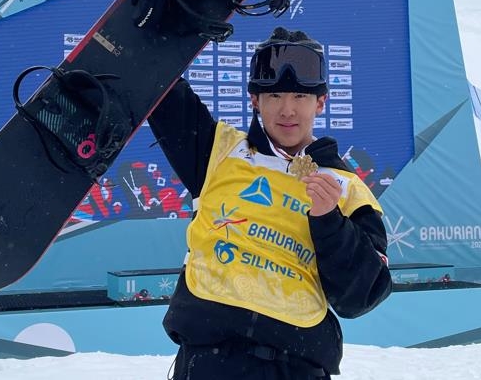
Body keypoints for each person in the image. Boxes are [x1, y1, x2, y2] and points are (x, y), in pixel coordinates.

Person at [148, 26, 391, 379]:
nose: (287, 110)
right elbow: (159, 85)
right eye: (274, 95)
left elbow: (363, 295)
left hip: (294, 368)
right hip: (209, 362)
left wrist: (330, 223)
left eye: (299, 96)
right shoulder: (217, 151)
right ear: (255, 100)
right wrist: (160, 17)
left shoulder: (347, 187)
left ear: (320, 102)